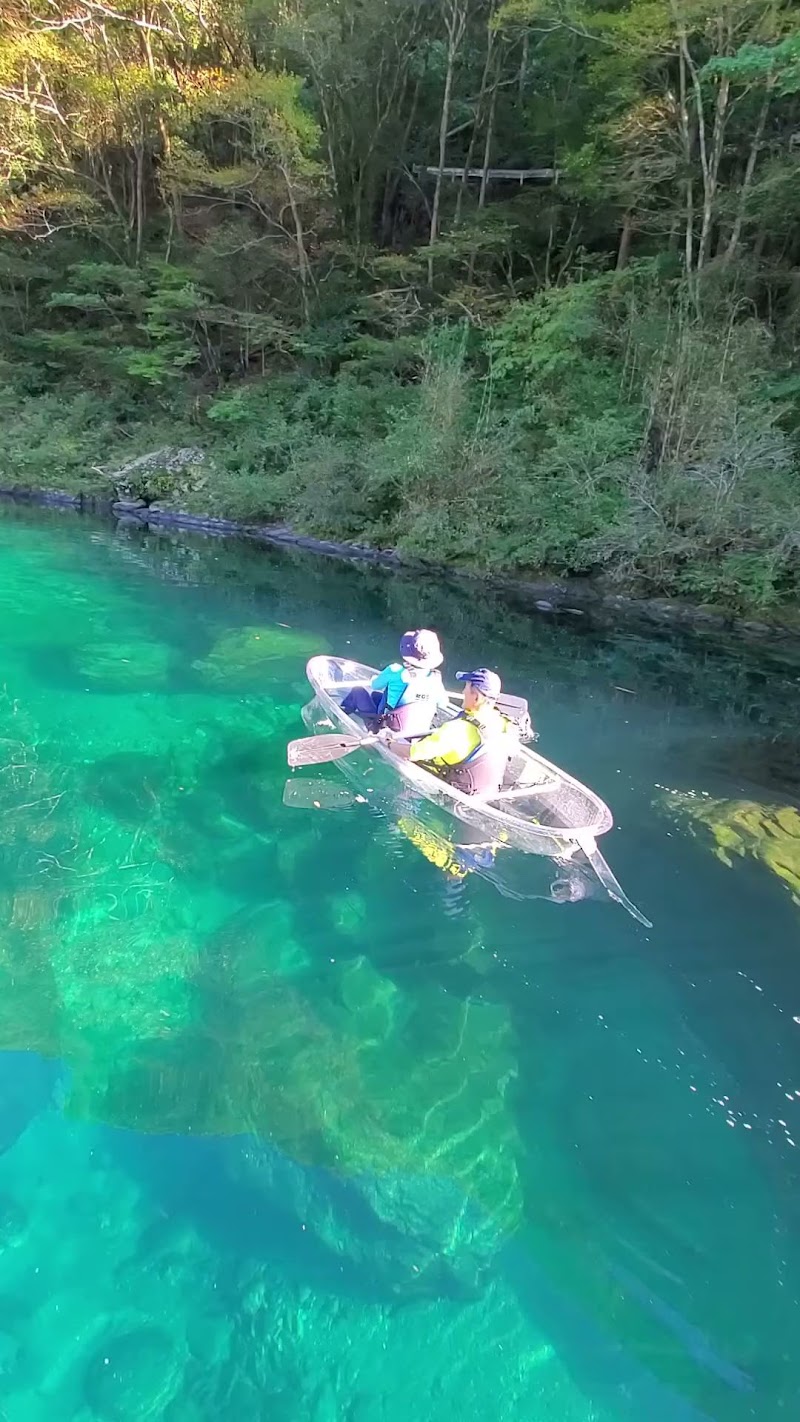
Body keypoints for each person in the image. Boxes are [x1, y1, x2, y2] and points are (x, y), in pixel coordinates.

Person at [381, 667, 516, 796]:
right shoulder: (502, 722)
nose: (463, 692)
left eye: (466, 687)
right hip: (485, 789)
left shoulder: (457, 729)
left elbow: (412, 753)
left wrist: (389, 743)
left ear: (477, 698)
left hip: (451, 788)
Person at [340, 629, 448, 736]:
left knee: (358, 691)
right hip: (417, 732)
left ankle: (341, 713)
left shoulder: (395, 670)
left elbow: (375, 685)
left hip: (387, 728)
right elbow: (443, 704)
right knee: (375, 696)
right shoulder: (435, 679)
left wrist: (374, 679)